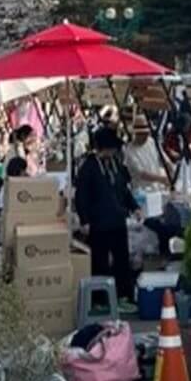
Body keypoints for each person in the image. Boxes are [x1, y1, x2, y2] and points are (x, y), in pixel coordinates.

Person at [75, 126, 139, 309]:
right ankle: (100, 298)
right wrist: (84, 220)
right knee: (99, 262)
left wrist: (134, 207)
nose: (113, 151)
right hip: (99, 221)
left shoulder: (116, 165)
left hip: (117, 219)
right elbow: (82, 195)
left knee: (122, 260)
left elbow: (124, 190)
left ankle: (123, 295)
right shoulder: (89, 167)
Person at [122, 116, 171, 191]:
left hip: (157, 188)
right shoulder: (129, 151)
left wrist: (171, 170)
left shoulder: (152, 142)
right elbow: (141, 174)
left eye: (146, 133)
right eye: (142, 133)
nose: (145, 135)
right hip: (141, 190)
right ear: (136, 133)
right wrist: (162, 179)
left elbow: (165, 159)